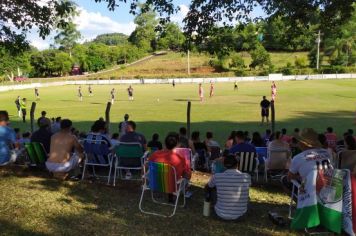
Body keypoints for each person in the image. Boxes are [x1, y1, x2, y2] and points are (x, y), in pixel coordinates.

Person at [205, 154, 251, 220]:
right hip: (241, 216)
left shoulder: (217, 176)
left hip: (220, 214)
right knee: (248, 198)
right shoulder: (247, 176)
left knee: (211, 190)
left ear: (224, 165)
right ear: (237, 164)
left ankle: (214, 205)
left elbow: (207, 187)